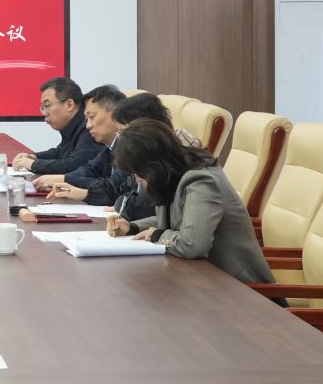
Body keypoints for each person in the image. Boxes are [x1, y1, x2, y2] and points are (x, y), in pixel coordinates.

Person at [106, 119, 273, 282]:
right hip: (204, 279)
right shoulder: (174, 176)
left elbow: (192, 245)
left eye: (140, 172)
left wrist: (157, 235)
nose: (137, 179)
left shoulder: (202, 181)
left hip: (240, 287)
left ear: (155, 165)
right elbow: (178, 220)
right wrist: (132, 227)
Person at [33, 84, 127, 196]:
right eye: (87, 119)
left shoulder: (130, 148)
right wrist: (61, 180)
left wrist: (68, 183)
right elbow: (90, 170)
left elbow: (114, 188)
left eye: (92, 117)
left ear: (115, 114)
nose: (88, 125)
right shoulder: (109, 148)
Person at [10, 77, 105, 177]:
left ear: (69, 105)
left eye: (47, 105)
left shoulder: (88, 127)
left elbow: (75, 165)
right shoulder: (72, 124)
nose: (44, 113)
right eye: (42, 107)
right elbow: (60, 152)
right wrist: (34, 157)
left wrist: (33, 164)